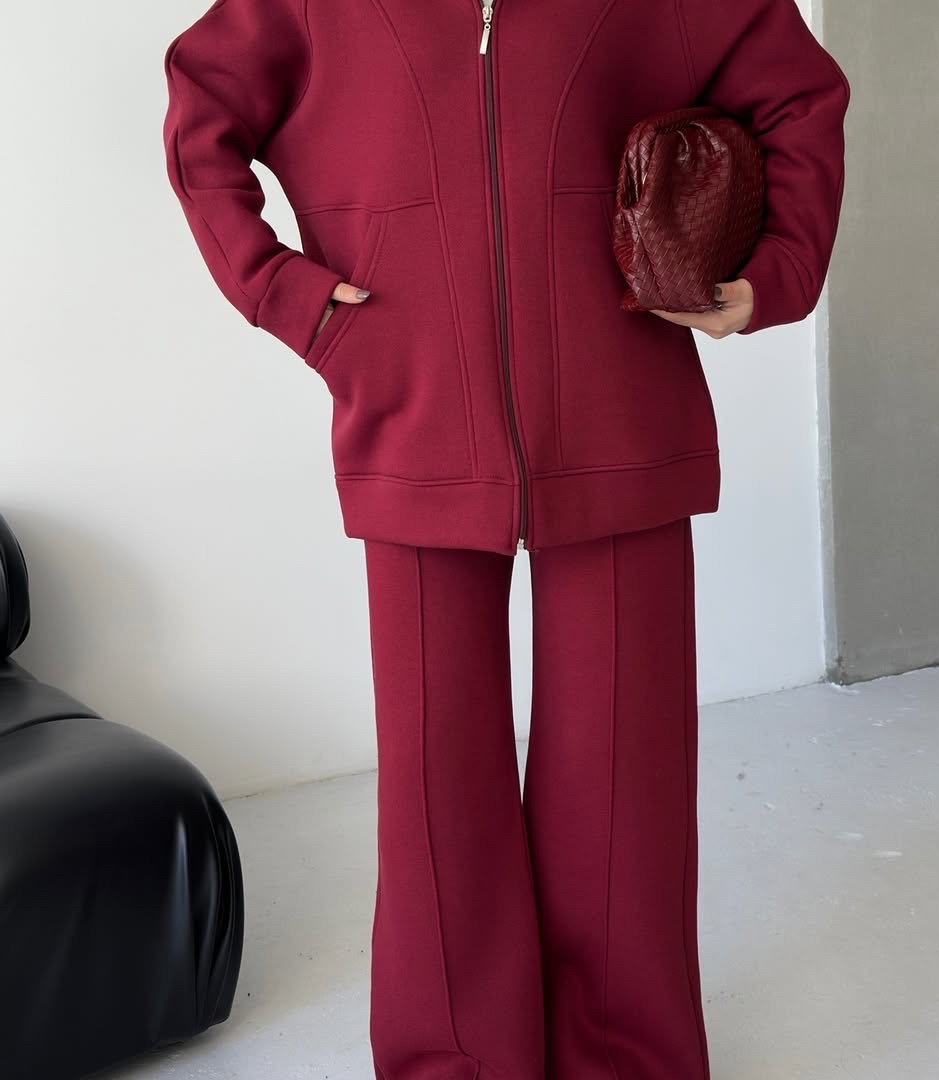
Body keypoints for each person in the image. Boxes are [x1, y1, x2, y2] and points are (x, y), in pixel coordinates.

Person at [162, 0, 849, 1075]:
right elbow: (204, 103)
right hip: (410, 404)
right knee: (437, 783)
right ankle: (454, 1062)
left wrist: (776, 270)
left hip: (621, 407)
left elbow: (799, 92)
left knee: (622, 781)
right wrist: (288, 296)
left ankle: (625, 1058)